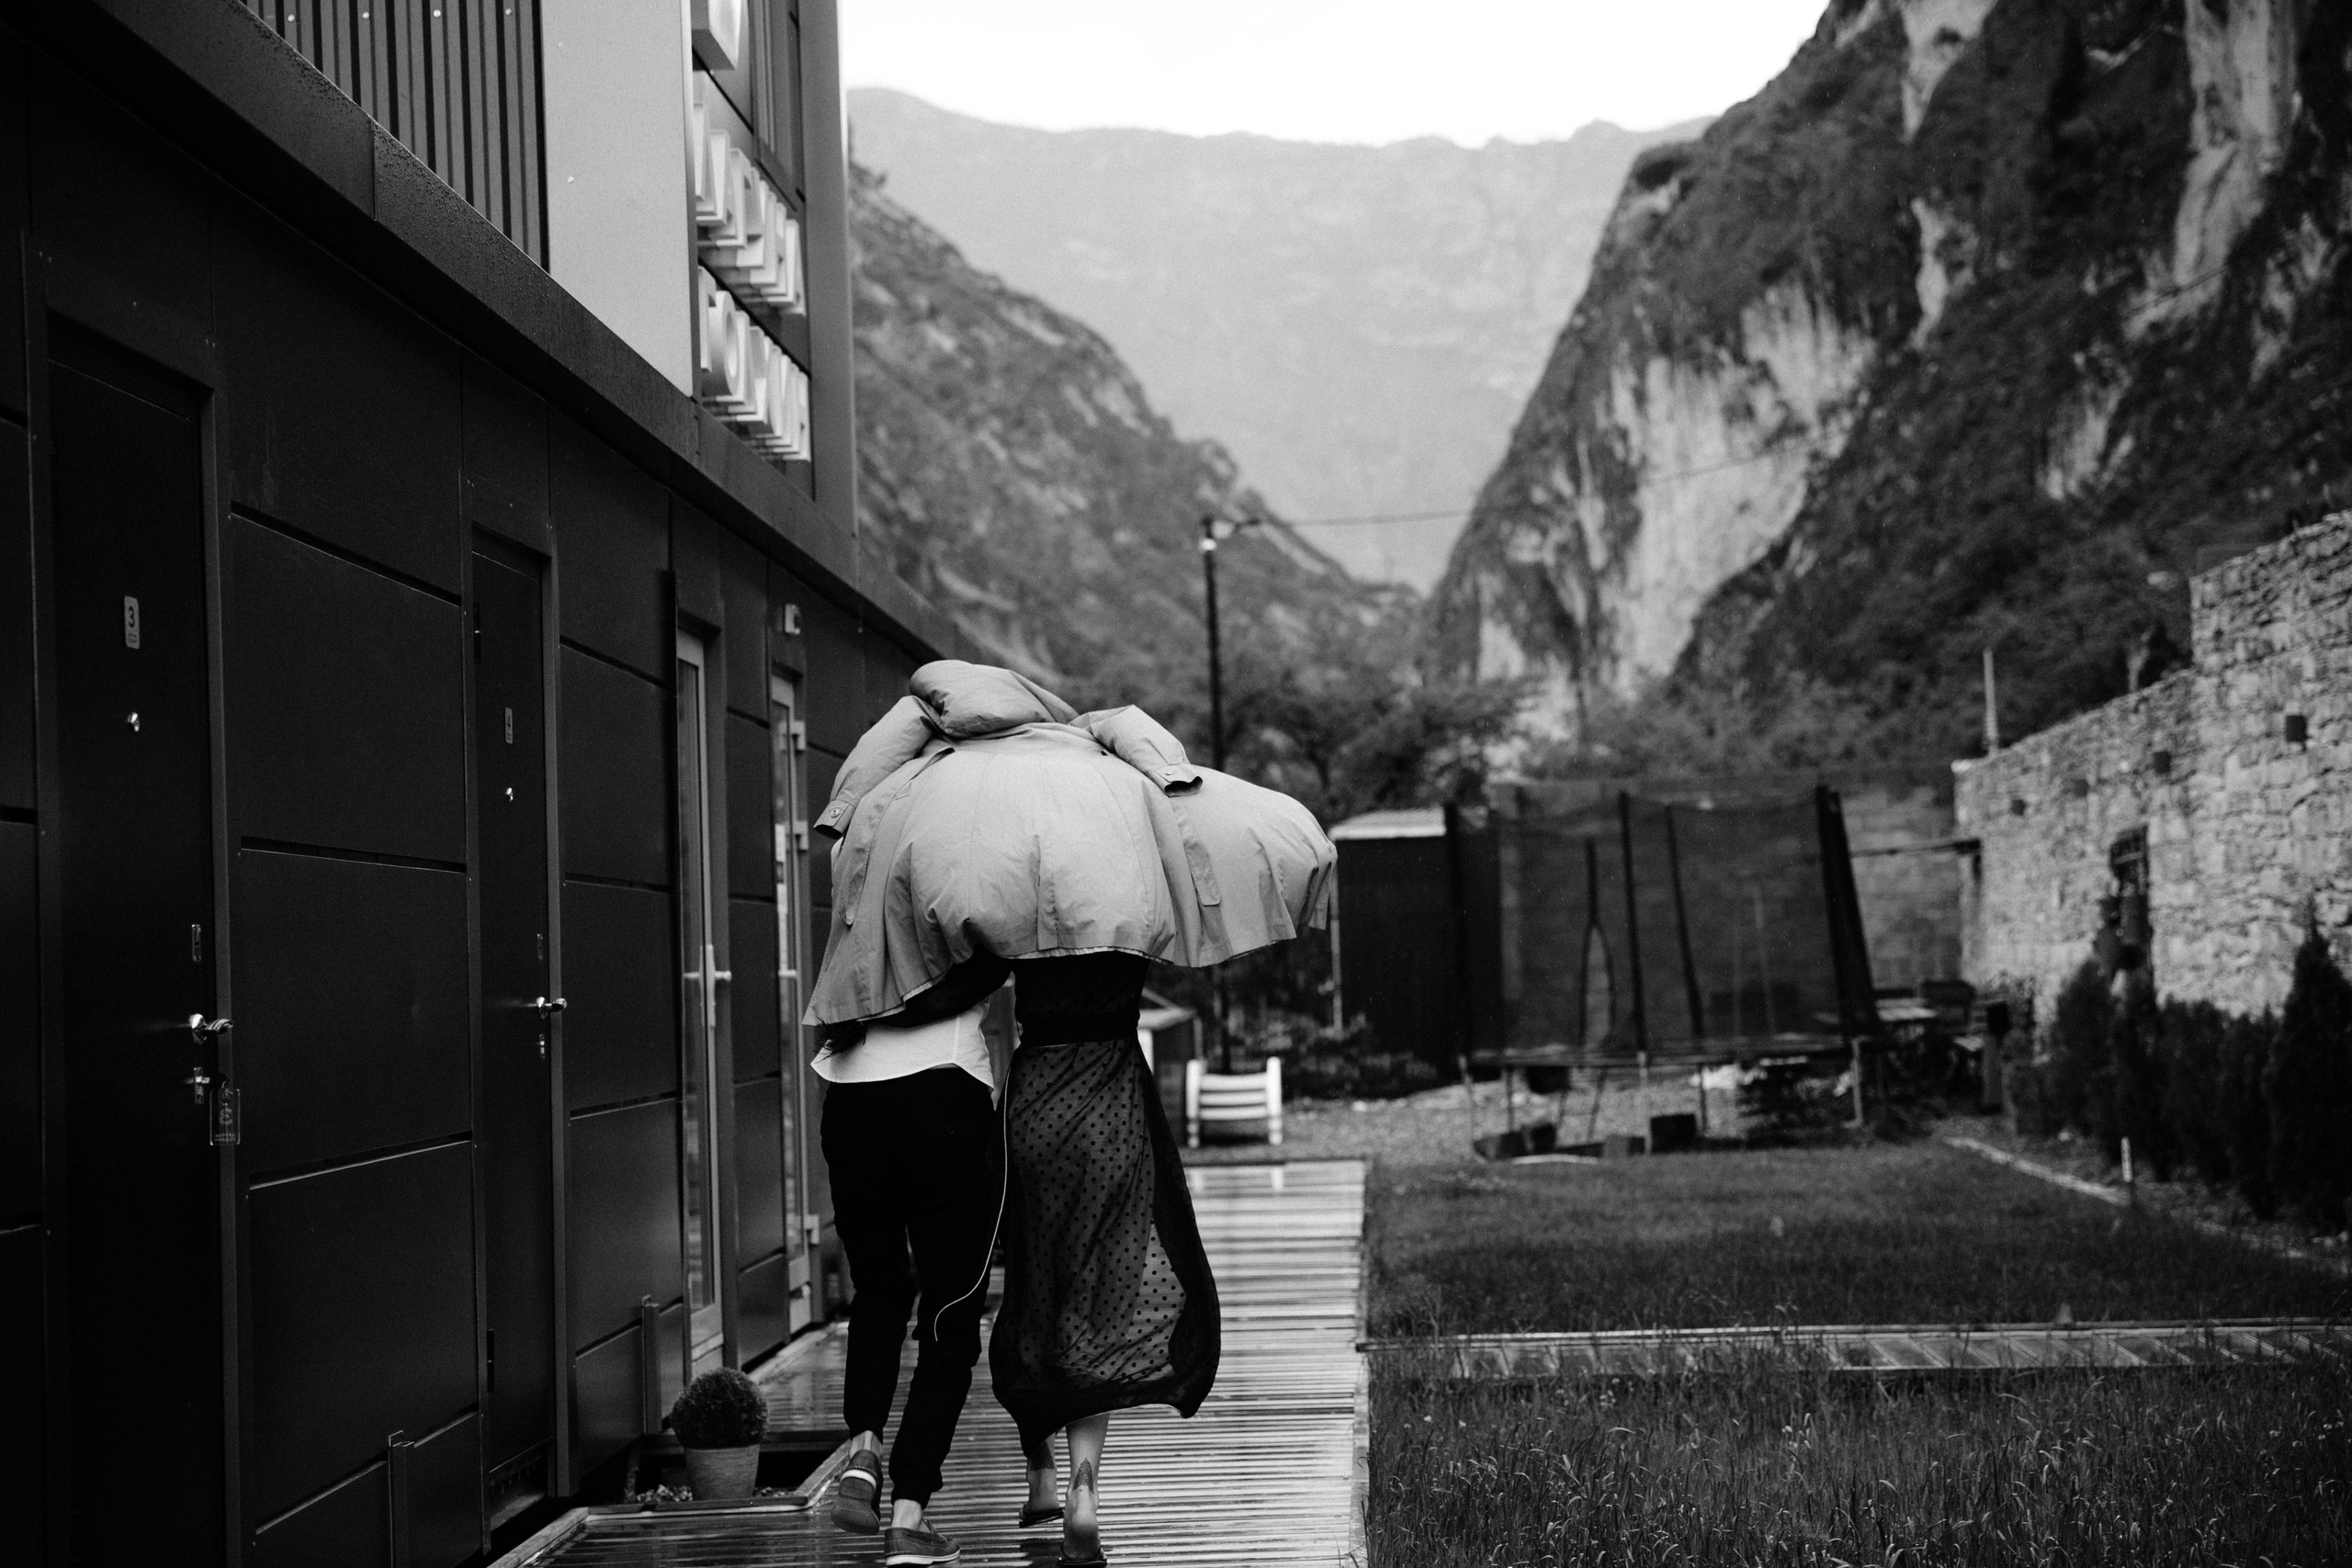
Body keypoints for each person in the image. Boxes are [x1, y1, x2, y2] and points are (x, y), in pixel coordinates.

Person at [991, 951, 1218, 1568]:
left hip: (1036, 1100)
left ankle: (1040, 1466)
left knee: (1034, 1289)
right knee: (1093, 1300)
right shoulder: (1130, 897)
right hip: (1115, 1102)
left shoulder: (1024, 891)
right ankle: (1083, 1483)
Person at [813, 954, 1015, 1568]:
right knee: (950, 1314)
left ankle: (864, 1453)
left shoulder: (853, 853)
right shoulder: (971, 859)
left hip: (851, 1095)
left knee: (877, 1288)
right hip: (942, 1090)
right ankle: (908, 1515)